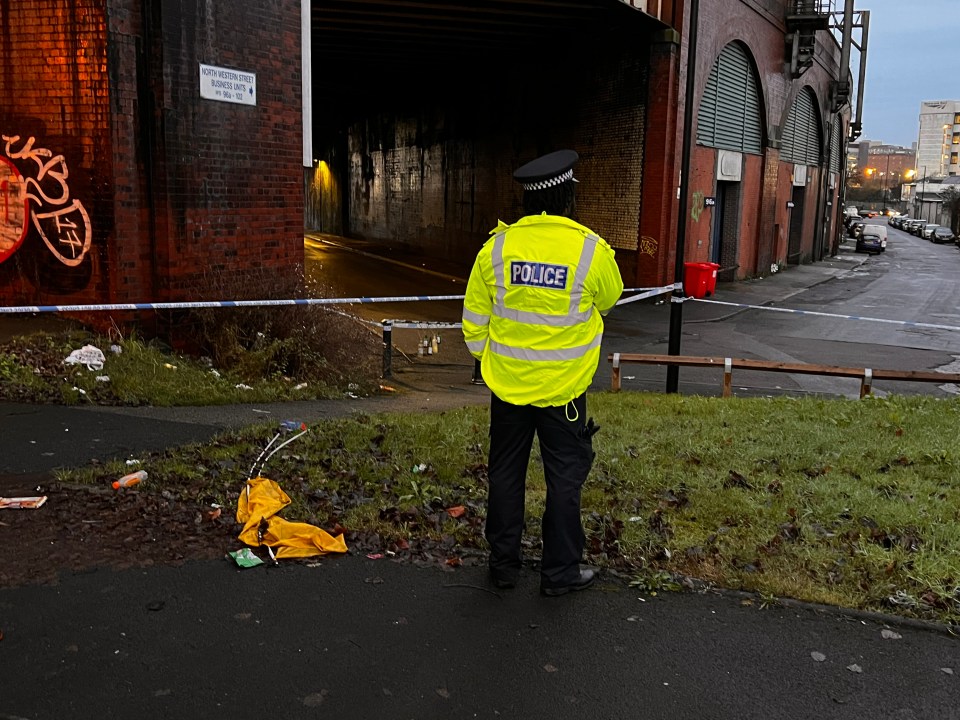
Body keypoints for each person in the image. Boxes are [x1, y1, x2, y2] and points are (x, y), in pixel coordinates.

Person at [461, 149, 624, 596]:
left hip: (508, 389)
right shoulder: (590, 250)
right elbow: (608, 300)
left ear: (528, 202)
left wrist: (491, 360)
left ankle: (503, 567)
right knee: (564, 481)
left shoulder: (496, 249)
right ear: (569, 197)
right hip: (565, 394)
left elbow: (473, 321)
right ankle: (559, 574)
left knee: (506, 475)